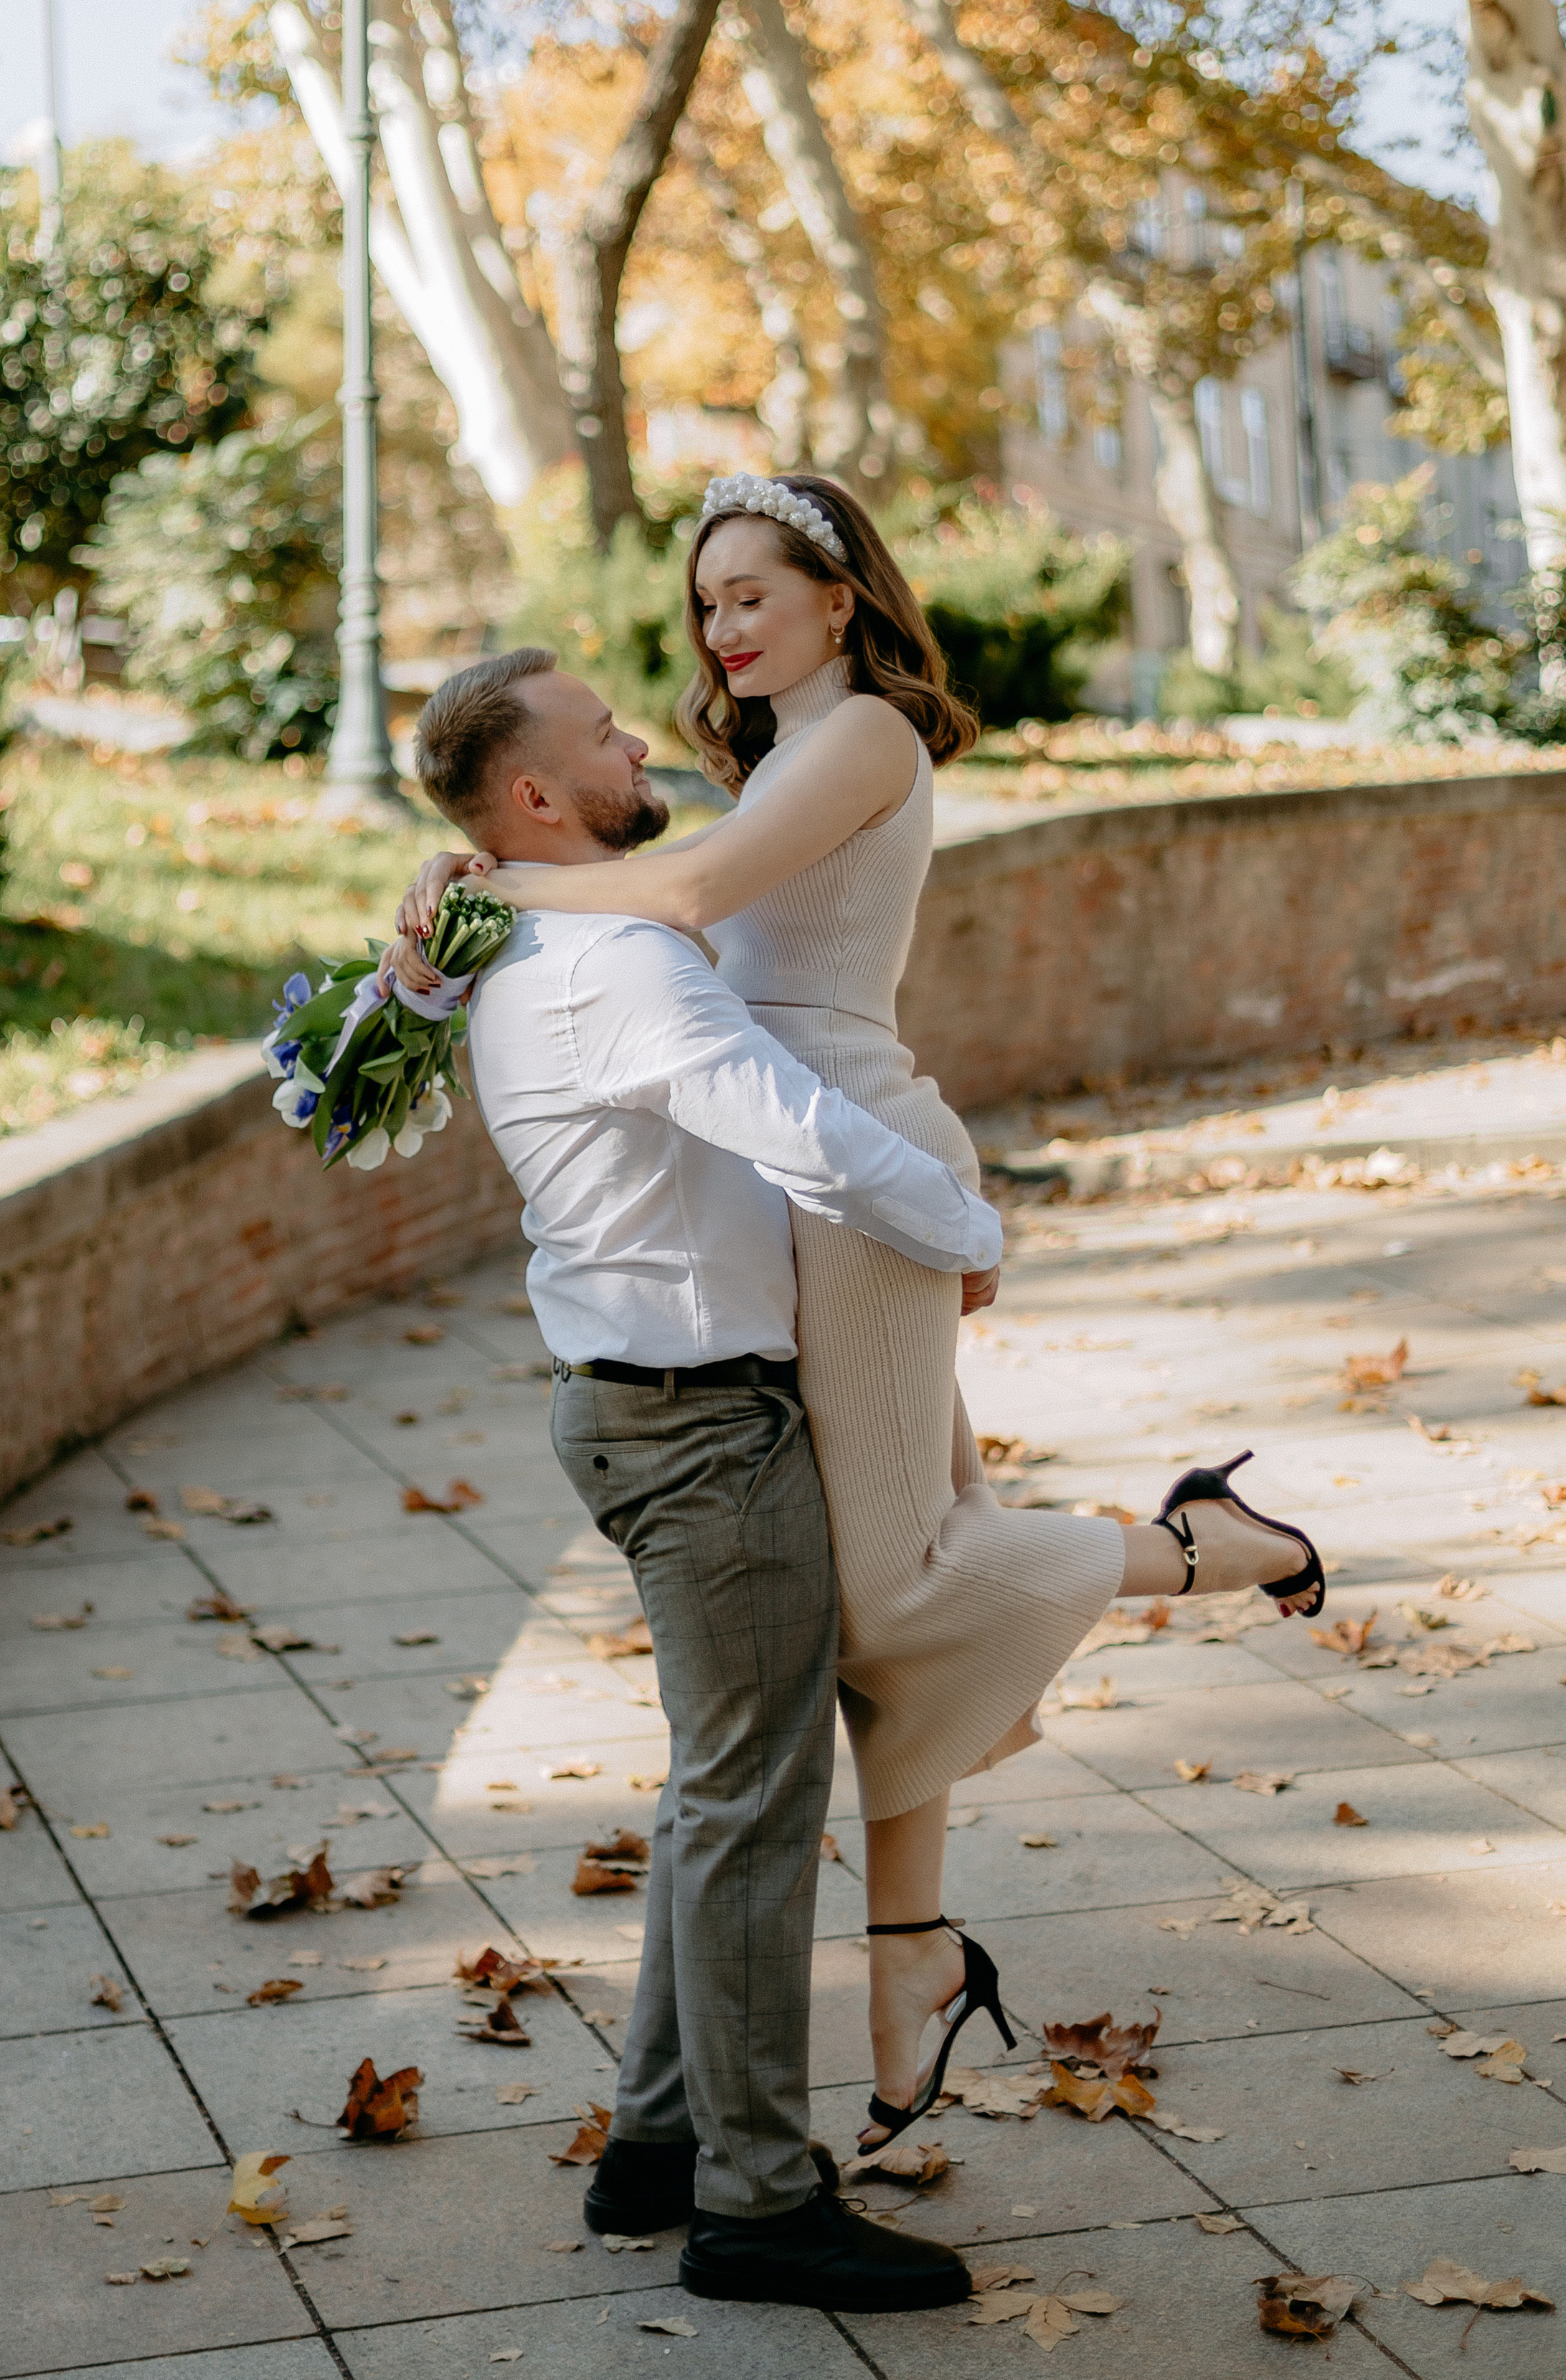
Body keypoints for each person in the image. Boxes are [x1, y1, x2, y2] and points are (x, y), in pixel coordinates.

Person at [395, 473, 1324, 2156]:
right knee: (888, 1574)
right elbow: (646, 878)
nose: (722, 627)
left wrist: (489, 889)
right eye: (704, 604)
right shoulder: (760, 761)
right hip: (810, 1180)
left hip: (860, 1164)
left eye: (755, 590)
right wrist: (467, 908)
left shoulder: (867, 740)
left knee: (895, 1582)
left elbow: (670, 909)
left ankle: (1214, 1544)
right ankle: (908, 1959)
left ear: (840, 597)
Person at [410, 645, 1004, 2313]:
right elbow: (788, 1119)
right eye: (595, 733)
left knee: (717, 1782)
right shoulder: (618, 973)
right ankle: (755, 2200)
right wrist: (967, 1229)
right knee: (751, 1807)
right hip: (698, 1422)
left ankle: (659, 2141)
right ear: (537, 797)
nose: (630, 738)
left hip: (637, 1406)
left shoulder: (539, 934)